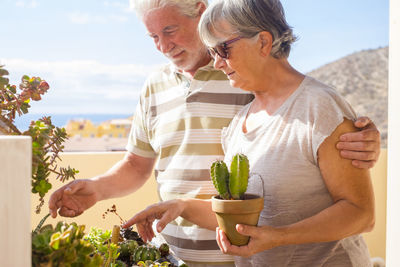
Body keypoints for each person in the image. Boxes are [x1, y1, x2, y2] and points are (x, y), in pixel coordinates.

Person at [49, 0, 380, 266]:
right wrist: (177, 205)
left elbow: (358, 211)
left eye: (170, 30)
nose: (163, 46)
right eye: (153, 37)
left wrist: (358, 132)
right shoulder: (240, 119)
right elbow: (238, 207)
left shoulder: (295, 97)